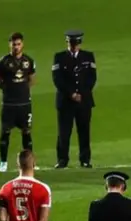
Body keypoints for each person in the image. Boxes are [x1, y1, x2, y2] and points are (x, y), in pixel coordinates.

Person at [52, 30, 97, 169]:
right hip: (66, 101)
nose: (74, 46)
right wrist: (71, 94)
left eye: (76, 43)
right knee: (64, 132)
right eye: (71, 43)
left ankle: (85, 159)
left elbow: (92, 78)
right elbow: (57, 79)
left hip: (84, 101)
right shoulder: (59, 57)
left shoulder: (88, 56)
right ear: (67, 42)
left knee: (84, 131)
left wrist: (81, 93)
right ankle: (62, 160)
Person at [0, 32, 37, 172]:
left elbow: (31, 79)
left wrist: (22, 91)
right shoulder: (3, 62)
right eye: (14, 44)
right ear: (10, 45)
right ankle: (3, 163)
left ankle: (30, 163)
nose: (16, 47)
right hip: (8, 104)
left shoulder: (29, 61)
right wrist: (10, 90)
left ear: (22, 44)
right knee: (5, 133)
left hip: (24, 104)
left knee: (27, 133)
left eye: (18, 44)